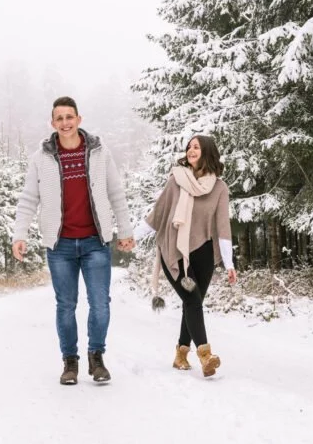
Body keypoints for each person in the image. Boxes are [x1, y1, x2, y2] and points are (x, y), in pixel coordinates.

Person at [12, 96, 135, 385]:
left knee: (100, 304)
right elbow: (29, 199)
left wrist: (126, 231)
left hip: (95, 242)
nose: (65, 123)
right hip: (60, 246)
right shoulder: (41, 158)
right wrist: (20, 234)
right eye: (59, 118)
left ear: (79, 120)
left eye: (70, 117)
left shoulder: (99, 152)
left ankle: (96, 357)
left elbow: (116, 192)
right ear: (52, 123)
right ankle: (70, 362)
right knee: (65, 305)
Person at [135, 135, 236, 377]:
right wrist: (130, 237)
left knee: (193, 303)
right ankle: (205, 355)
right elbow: (156, 216)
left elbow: (223, 227)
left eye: (196, 147)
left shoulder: (219, 188)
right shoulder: (176, 181)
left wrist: (229, 263)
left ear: (207, 152)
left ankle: (181, 355)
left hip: (203, 253)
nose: (191, 150)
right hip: (175, 251)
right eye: (189, 147)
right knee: (191, 299)